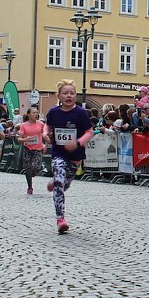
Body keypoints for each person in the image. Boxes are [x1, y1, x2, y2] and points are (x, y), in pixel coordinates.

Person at [44, 79, 94, 234]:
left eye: (72, 93)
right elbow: (48, 126)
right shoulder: (53, 112)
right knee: (60, 183)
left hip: (75, 155)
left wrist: (77, 143)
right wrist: (45, 134)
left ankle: (56, 181)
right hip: (58, 153)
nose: (69, 95)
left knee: (64, 185)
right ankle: (61, 219)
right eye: (65, 93)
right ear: (58, 95)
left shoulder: (81, 113)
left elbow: (90, 132)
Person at [17, 107, 49, 195]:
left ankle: (34, 172)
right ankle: (30, 187)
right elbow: (19, 139)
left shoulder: (41, 124)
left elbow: (45, 135)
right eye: (33, 113)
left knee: (36, 167)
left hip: (38, 149)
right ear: (28, 114)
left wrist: (45, 145)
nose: (36, 114)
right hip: (27, 148)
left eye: (37, 113)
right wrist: (25, 139)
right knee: (27, 169)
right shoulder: (24, 125)